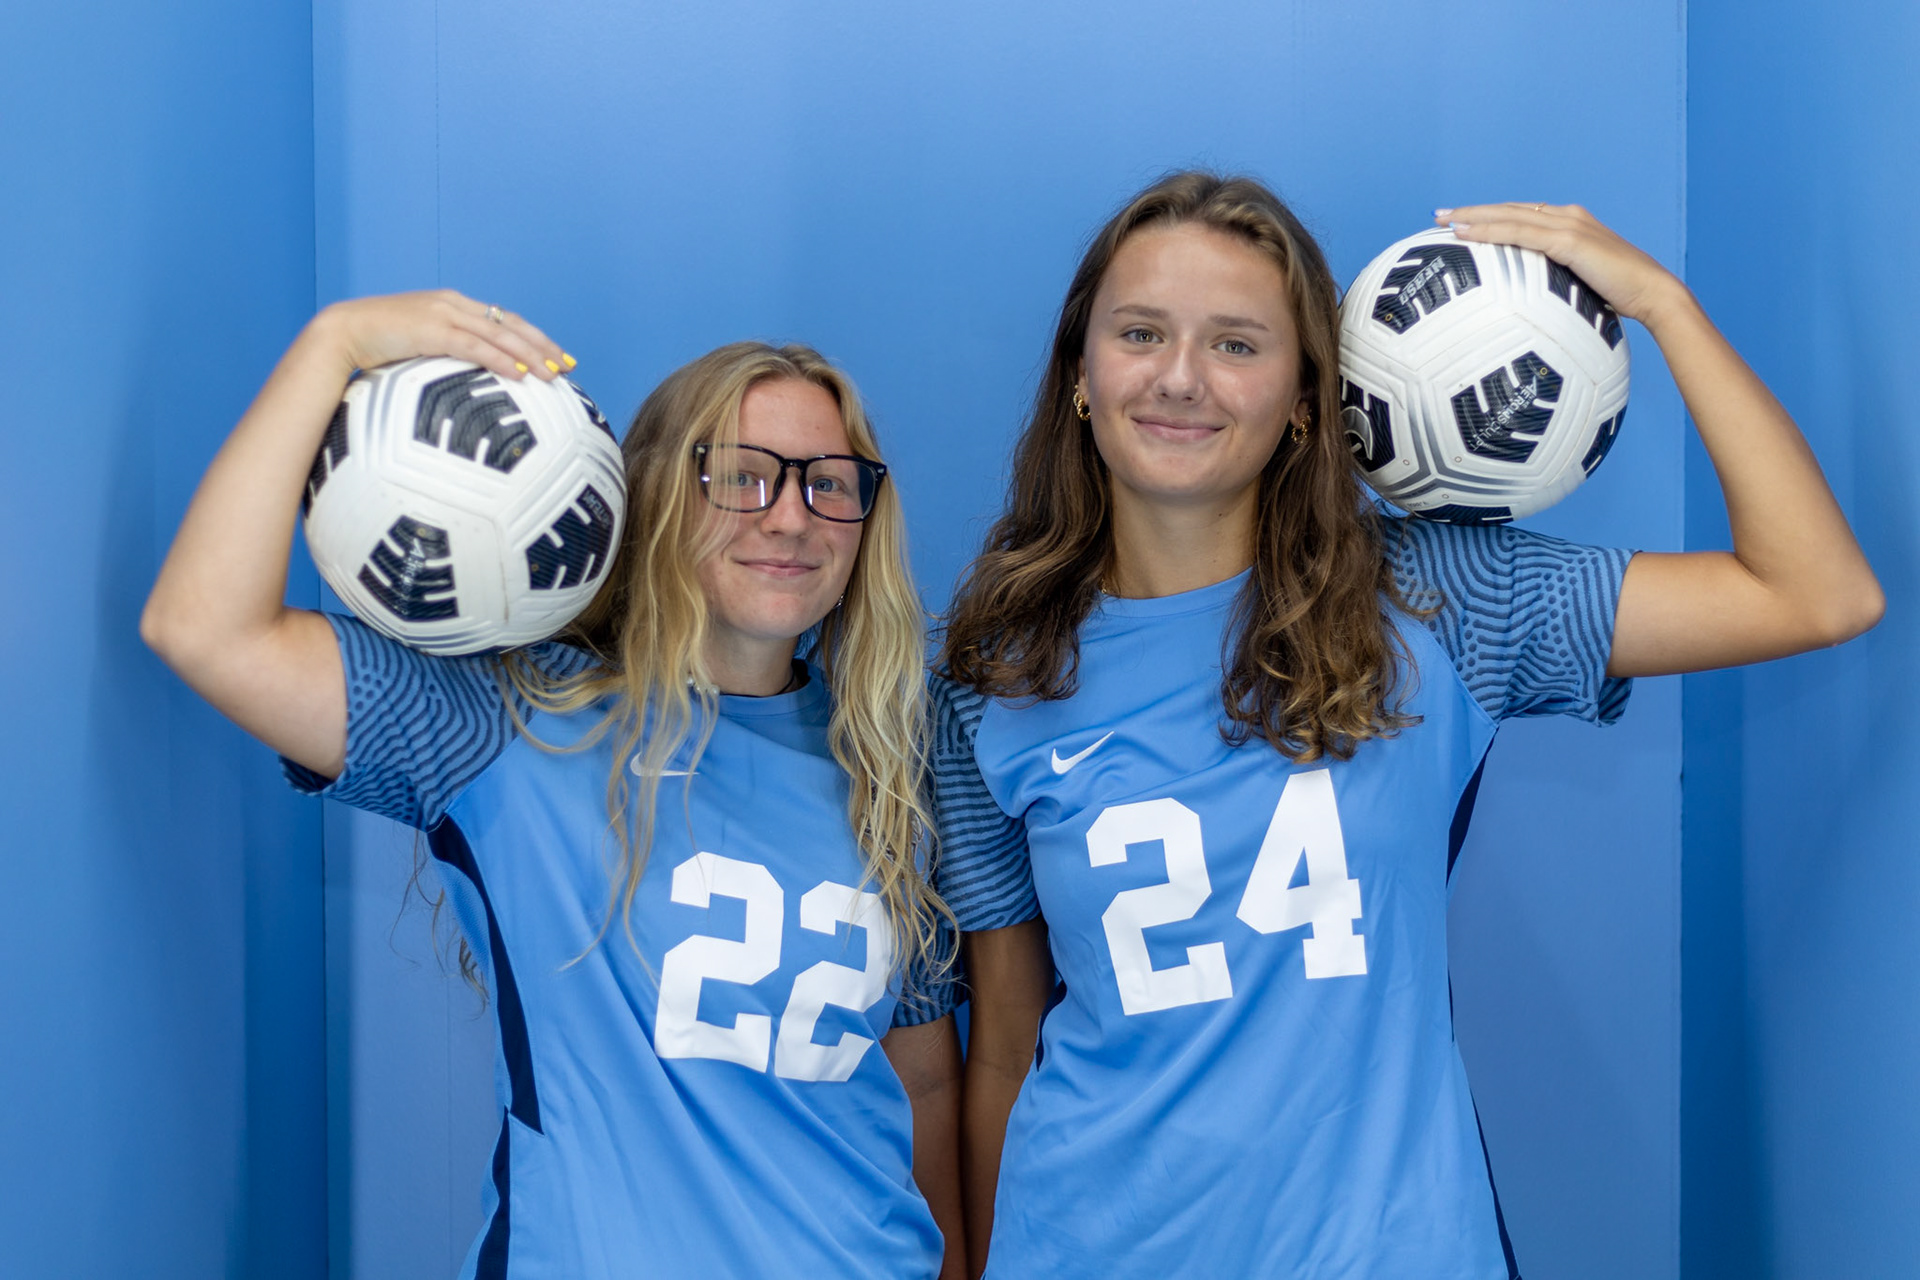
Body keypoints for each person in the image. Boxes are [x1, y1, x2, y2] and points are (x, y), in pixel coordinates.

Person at [933, 173, 1882, 1279]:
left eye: (1237, 344)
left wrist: (1665, 305)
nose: (1180, 377)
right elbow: (1002, 1046)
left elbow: (1818, 592)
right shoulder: (994, 669)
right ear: (1082, 375)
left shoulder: (1433, 598)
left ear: (1305, 398)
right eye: (1140, 332)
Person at [141, 292, 966, 1279]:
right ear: (654, 494)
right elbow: (204, 627)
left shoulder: (890, 757)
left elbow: (920, 1077)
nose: (789, 517)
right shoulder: (511, 724)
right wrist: (334, 345)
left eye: (829, 483)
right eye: (741, 477)